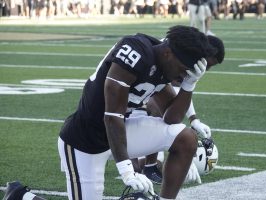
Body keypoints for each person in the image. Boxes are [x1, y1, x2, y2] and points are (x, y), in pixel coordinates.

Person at [57, 25, 217, 200]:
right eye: (183, 70)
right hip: (85, 139)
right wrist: (127, 171)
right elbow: (112, 116)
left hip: (121, 132)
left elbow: (172, 118)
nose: (183, 76)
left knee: (186, 138)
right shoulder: (136, 51)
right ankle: (24, 196)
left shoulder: (164, 63)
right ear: (168, 54)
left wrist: (189, 85)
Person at [137, 35, 225, 185]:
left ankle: (149, 163)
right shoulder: (176, 57)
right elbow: (173, 96)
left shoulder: (190, 59)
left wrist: (193, 119)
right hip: (129, 103)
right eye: (208, 64)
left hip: (144, 95)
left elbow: (180, 93)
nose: (207, 69)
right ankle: (148, 166)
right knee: (134, 166)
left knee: (158, 160)